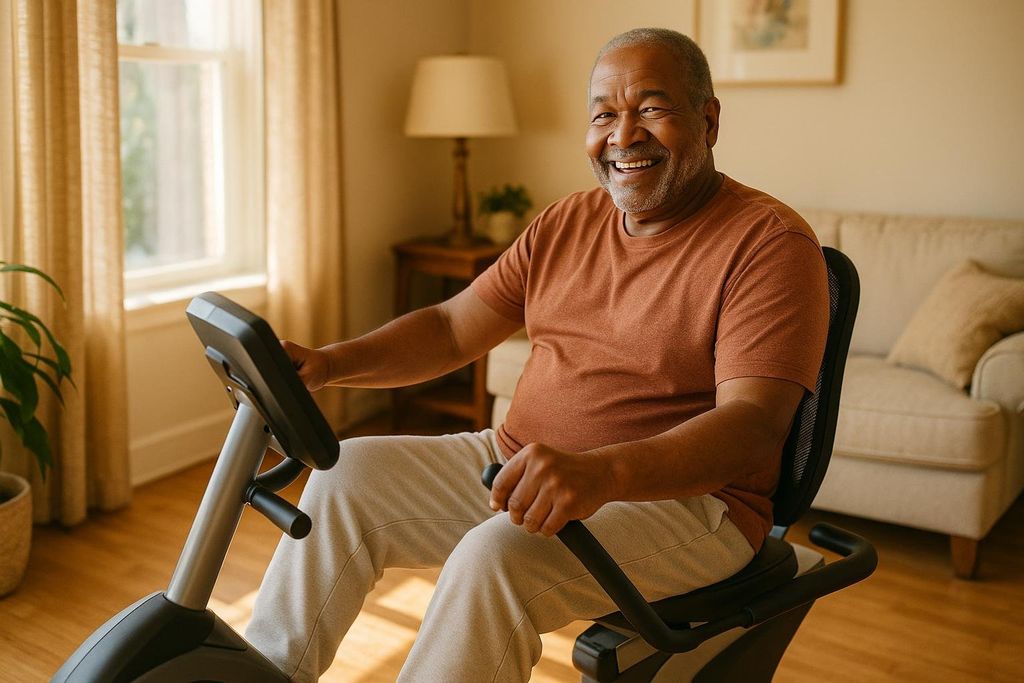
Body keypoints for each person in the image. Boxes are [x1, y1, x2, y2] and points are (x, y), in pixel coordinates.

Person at [245, 27, 829, 682]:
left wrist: (602, 474)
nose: (623, 134)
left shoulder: (769, 243)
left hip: (692, 503)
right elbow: (448, 327)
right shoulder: (566, 222)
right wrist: (330, 363)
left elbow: (752, 427)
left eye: (652, 109)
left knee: (497, 556)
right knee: (346, 472)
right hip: (516, 460)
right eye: (605, 114)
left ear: (709, 119)